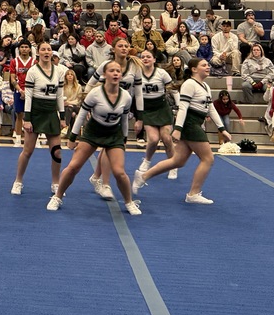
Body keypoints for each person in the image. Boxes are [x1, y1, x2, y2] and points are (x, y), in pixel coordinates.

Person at [48, 59, 141, 215]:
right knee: (73, 167)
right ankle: (57, 197)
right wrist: (73, 137)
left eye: (118, 71)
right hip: (93, 132)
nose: (116, 73)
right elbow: (82, 114)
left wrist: (124, 139)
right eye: (112, 71)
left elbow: (124, 120)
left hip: (113, 134)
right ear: (104, 74)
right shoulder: (95, 93)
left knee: (119, 172)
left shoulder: (126, 96)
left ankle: (129, 202)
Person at [133, 58, 231, 204]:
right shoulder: (189, 84)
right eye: (204, 65)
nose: (208, 67)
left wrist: (222, 128)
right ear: (194, 69)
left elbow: (211, 108)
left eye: (208, 65)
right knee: (208, 158)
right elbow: (183, 107)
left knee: (177, 161)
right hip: (190, 124)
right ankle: (193, 194)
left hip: (195, 122)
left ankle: (143, 176)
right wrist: (177, 129)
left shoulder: (205, 86)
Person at [85, 38, 143, 200]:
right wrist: (89, 106)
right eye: (120, 46)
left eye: (126, 46)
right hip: (103, 111)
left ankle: (97, 177)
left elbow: (138, 93)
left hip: (121, 111)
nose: (124, 48)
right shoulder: (106, 65)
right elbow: (89, 85)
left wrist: (140, 117)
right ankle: (105, 184)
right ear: (113, 49)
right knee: (107, 146)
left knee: (108, 147)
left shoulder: (135, 67)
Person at [10, 41, 65, 196]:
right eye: (43, 49)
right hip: (35, 112)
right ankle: (18, 181)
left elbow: (59, 95)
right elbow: (28, 96)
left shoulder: (59, 71)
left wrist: (61, 117)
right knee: (27, 151)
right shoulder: (33, 71)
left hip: (51, 113)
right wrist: (27, 119)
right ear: (38, 52)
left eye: (49, 49)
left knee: (57, 152)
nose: (46, 52)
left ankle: (56, 183)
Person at [135, 49, 177, 180]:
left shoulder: (161, 73)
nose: (145, 59)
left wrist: (180, 105)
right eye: (143, 57)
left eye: (148, 57)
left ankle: (173, 165)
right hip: (147, 109)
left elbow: (173, 90)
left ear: (154, 59)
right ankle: (147, 160)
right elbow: (134, 94)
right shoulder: (137, 75)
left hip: (162, 108)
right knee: (153, 139)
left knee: (166, 138)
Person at [6, 41, 34, 146]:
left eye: (26, 47)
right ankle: (18, 138)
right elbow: (12, 78)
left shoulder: (34, 62)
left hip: (31, 91)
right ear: (19, 49)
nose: (24, 49)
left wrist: (27, 91)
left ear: (30, 49)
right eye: (22, 47)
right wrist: (20, 90)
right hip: (19, 90)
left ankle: (32, 139)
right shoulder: (14, 62)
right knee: (19, 114)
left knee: (32, 115)